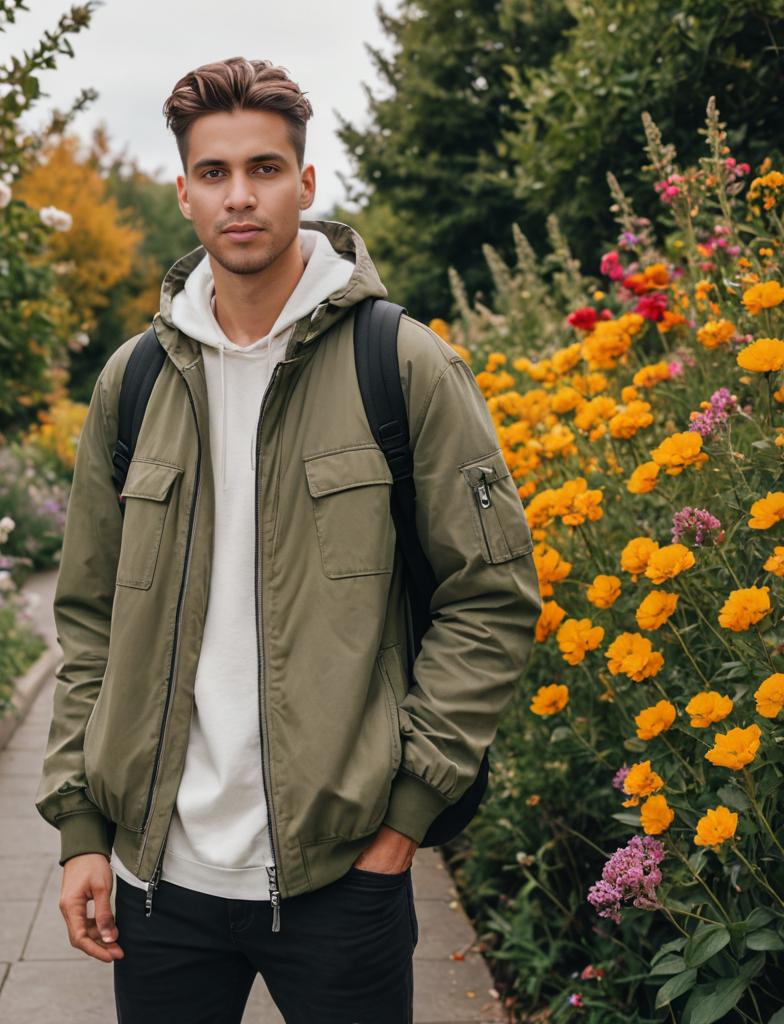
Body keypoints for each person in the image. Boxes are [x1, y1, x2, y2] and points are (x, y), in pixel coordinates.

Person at [35, 56, 542, 1023]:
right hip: (158, 882)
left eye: (265, 169)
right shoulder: (133, 382)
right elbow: (90, 623)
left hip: (341, 878)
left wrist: (405, 818)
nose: (241, 196)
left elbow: (492, 597)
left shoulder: (403, 363)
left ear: (306, 185)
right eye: (215, 173)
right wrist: (82, 828)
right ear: (182, 190)